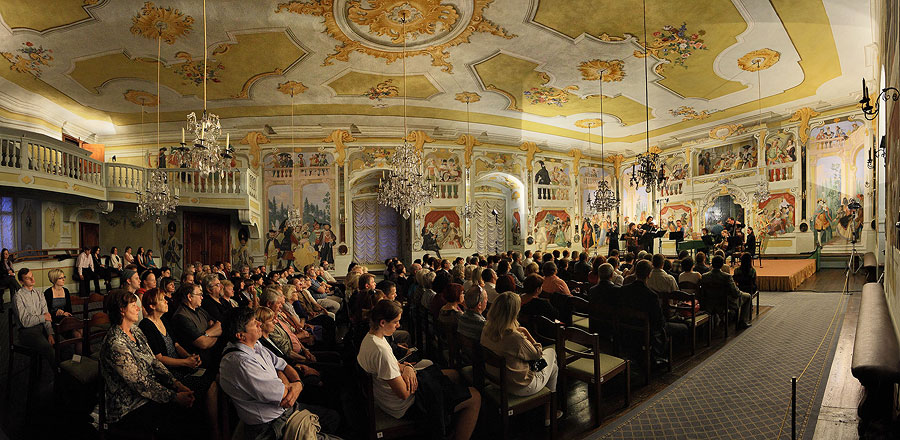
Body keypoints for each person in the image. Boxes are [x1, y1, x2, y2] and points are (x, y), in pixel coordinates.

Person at [358, 300, 480, 440]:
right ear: (382, 323)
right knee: (475, 396)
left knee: (452, 375)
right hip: (403, 406)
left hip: (387, 397)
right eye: (396, 322)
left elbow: (394, 365)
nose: (398, 325)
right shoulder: (381, 352)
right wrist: (413, 373)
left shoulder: (371, 339)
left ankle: (451, 425)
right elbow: (403, 393)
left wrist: (407, 368)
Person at [218, 307, 341, 440]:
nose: (260, 324)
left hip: (286, 410)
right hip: (273, 425)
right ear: (241, 335)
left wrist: (297, 383)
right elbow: (283, 395)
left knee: (333, 417)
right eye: (254, 323)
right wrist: (292, 383)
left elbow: (284, 365)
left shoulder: (255, 345)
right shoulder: (241, 363)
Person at [99, 289, 195, 436]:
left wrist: (176, 384)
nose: (138, 308)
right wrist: (174, 397)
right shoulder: (115, 343)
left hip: (148, 392)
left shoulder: (135, 331)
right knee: (178, 418)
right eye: (133, 305)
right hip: (129, 405)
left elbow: (154, 361)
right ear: (122, 310)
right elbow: (140, 383)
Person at [139, 288, 220, 438]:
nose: (166, 301)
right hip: (168, 373)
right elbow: (159, 359)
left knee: (215, 376)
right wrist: (185, 362)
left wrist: (190, 357)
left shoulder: (163, 320)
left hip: (181, 365)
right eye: (162, 299)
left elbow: (176, 345)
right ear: (152, 305)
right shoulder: (146, 325)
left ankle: (211, 424)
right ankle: (214, 431)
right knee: (212, 385)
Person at [482, 292, 559, 402]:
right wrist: (526, 332)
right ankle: (550, 410)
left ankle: (548, 409)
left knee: (554, 368)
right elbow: (537, 354)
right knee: (551, 352)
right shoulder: (514, 337)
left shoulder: (486, 329)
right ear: (514, 313)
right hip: (520, 385)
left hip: (496, 380)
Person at [619, 261, 669, 364]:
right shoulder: (651, 295)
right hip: (646, 332)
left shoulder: (623, 290)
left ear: (636, 272)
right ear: (649, 274)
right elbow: (657, 322)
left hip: (627, 329)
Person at [170, 283, 223, 369]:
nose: (202, 297)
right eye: (199, 295)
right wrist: (217, 334)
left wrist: (205, 334)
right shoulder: (181, 317)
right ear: (190, 297)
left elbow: (219, 325)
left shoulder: (199, 309)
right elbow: (203, 343)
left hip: (211, 355)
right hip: (199, 363)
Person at [13, 268, 55, 367]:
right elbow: (25, 322)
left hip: (42, 327)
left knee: (62, 343)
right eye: (28, 278)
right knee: (48, 348)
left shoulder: (39, 294)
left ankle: (67, 372)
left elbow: (47, 316)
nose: (32, 280)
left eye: (32, 276)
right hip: (27, 331)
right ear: (21, 282)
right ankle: (60, 376)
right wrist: (43, 317)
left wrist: (50, 333)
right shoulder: (18, 297)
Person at [700, 256, 752, 330]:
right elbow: (735, 293)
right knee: (748, 296)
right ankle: (742, 322)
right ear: (722, 265)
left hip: (709, 303)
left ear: (712, 264)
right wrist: (740, 292)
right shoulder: (726, 277)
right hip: (724, 303)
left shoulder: (704, 276)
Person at [0, 248, 19, 313]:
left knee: (12, 285)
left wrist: (11, 273)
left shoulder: (9, 262)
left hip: (9, 280)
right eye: (5, 254)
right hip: (2, 280)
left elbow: (12, 271)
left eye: (7, 254)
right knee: (12, 279)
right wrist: (8, 273)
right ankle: (20, 290)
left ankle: (13, 304)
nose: (7, 255)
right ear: (2, 255)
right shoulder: (1, 263)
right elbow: (1, 273)